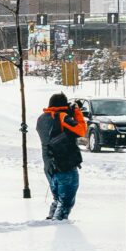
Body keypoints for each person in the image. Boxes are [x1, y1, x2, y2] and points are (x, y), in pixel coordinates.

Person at [37, 91, 88, 220]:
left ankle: (51, 220)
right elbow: (81, 130)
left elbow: (55, 131)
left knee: (57, 198)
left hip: (49, 166)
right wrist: (76, 112)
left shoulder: (41, 118)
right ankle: (59, 225)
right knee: (65, 202)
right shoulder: (61, 116)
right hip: (65, 165)